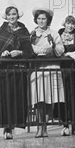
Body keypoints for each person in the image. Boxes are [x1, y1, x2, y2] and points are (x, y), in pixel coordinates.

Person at [0, 4, 33, 140]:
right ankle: (7, 127)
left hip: (20, 68)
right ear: (6, 17)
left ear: (18, 15)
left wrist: (21, 52)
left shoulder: (24, 30)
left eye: (14, 14)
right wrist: (3, 52)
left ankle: (15, 125)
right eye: (9, 15)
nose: (12, 17)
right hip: (5, 69)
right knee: (6, 97)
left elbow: (30, 52)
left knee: (18, 97)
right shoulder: (1, 31)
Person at [29, 7, 65, 138]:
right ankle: (39, 127)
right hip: (38, 70)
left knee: (49, 100)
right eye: (39, 18)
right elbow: (28, 50)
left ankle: (45, 127)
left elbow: (61, 49)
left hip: (52, 68)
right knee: (39, 100)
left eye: (43, 18)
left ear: (48, 20)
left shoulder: (54, 33)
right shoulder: (32, 34)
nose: (41, 21)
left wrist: (53, 46)